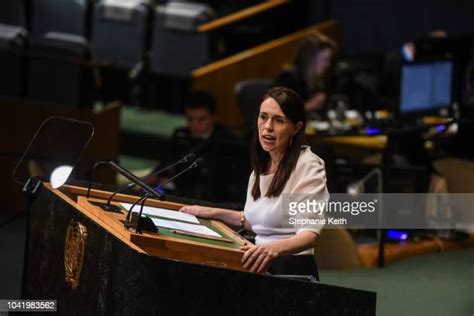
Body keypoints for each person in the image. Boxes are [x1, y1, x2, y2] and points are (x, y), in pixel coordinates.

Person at [181, 87, 329, 278]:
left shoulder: (308, 166)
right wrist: (213, 213)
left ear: (296, 127)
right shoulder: (262, 165)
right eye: (263, 117)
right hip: (258, 263)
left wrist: (271, 249)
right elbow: (258, 222)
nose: (267, 127)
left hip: (291, 269)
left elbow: (309, 235)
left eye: (278, 120)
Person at [148, 91, 234, 201]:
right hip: (175, 193)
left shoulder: (226, 140)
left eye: (201, 119)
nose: (195, 125)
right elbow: (166, 163)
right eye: (190, 119)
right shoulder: (181, 135)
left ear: (213, 117)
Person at [275, 34, 336, 112]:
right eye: (325, 59)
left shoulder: (313, 79)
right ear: (311, 58)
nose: (328, 64)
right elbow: (278, 112)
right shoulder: (288, 78)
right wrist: (308, 106)